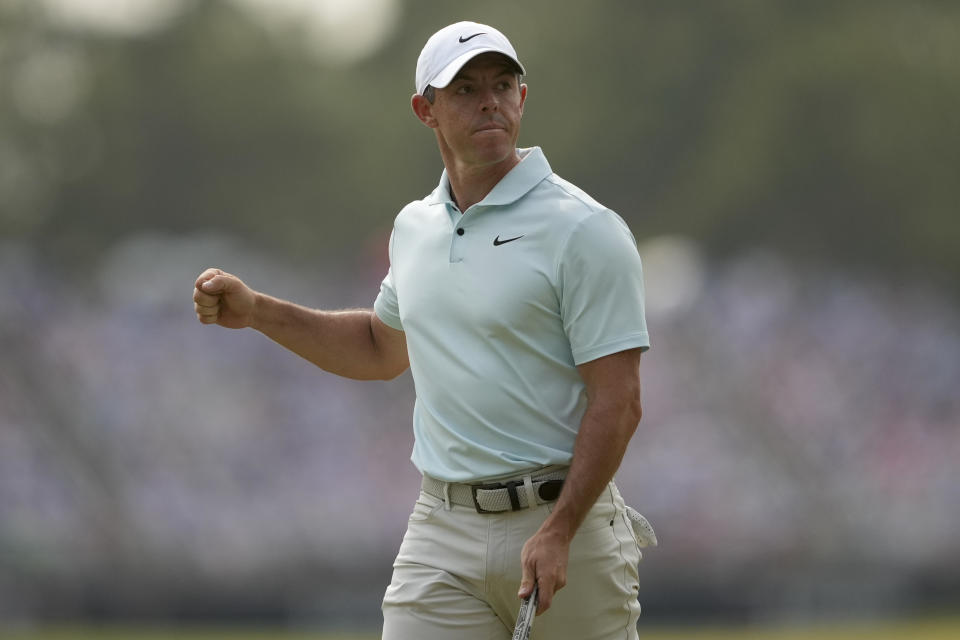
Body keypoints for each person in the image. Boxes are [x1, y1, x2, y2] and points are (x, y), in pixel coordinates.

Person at [193, 20, 652, 640]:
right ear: (425, 110)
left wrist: (561, 529)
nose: (489, 99)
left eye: (502, 83)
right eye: (464, 89)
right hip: (442, 527)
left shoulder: (584, 229)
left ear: (523, 97)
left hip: (565, 523)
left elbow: (618, 400)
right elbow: (380, 349)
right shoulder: (415, 228)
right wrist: (258, 312)